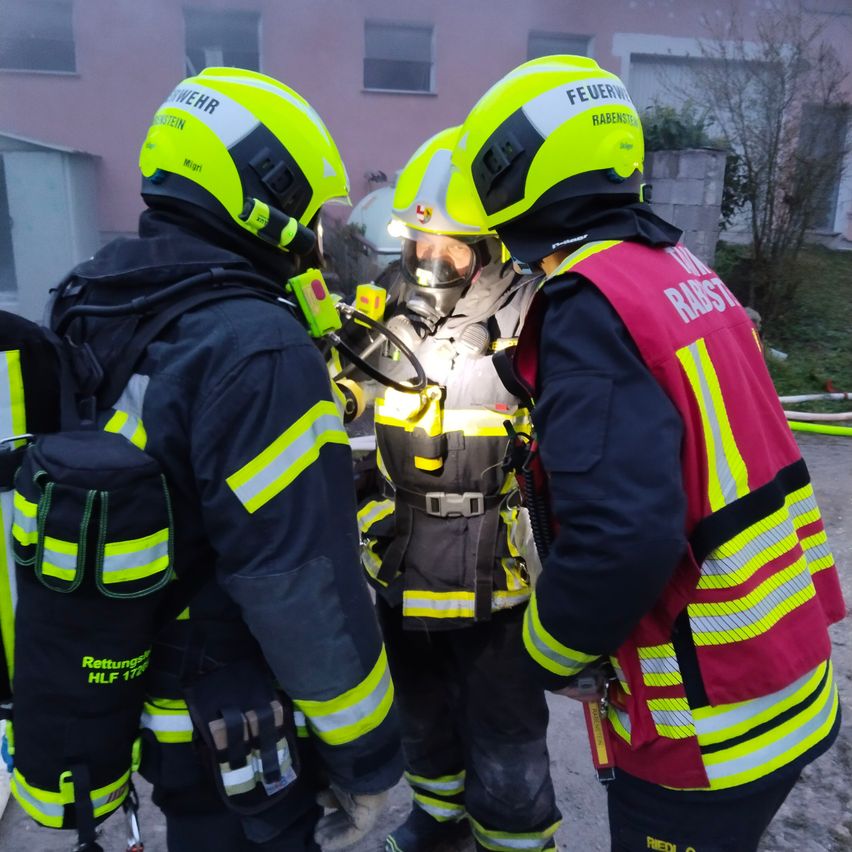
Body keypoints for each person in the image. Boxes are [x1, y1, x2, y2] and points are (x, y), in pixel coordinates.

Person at [449, 55, 845, 852]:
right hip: (783, 668)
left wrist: (540, 655)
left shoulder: (588, 303)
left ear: (510, 175)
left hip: (711, 722)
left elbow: (621, 540)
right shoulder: (677, 268)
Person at [48, 67, 401, 852]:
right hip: (233, 714)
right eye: (307, 211)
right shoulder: (257, 346)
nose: (312, 235)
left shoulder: (90, 295)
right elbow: (298, 582)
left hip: (127, 682)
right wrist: (367, 757)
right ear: (267, 192)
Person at [356, 127, 561, 852]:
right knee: (421, 712)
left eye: (450, 246)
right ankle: (439, 821)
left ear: (492, 246)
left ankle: (516, 840)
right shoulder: (385, 306)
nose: (430, 260)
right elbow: (346, 394)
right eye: (418, 243)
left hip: (496, 575)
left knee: (505, 729)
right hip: (402, 560)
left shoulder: (535, 314)